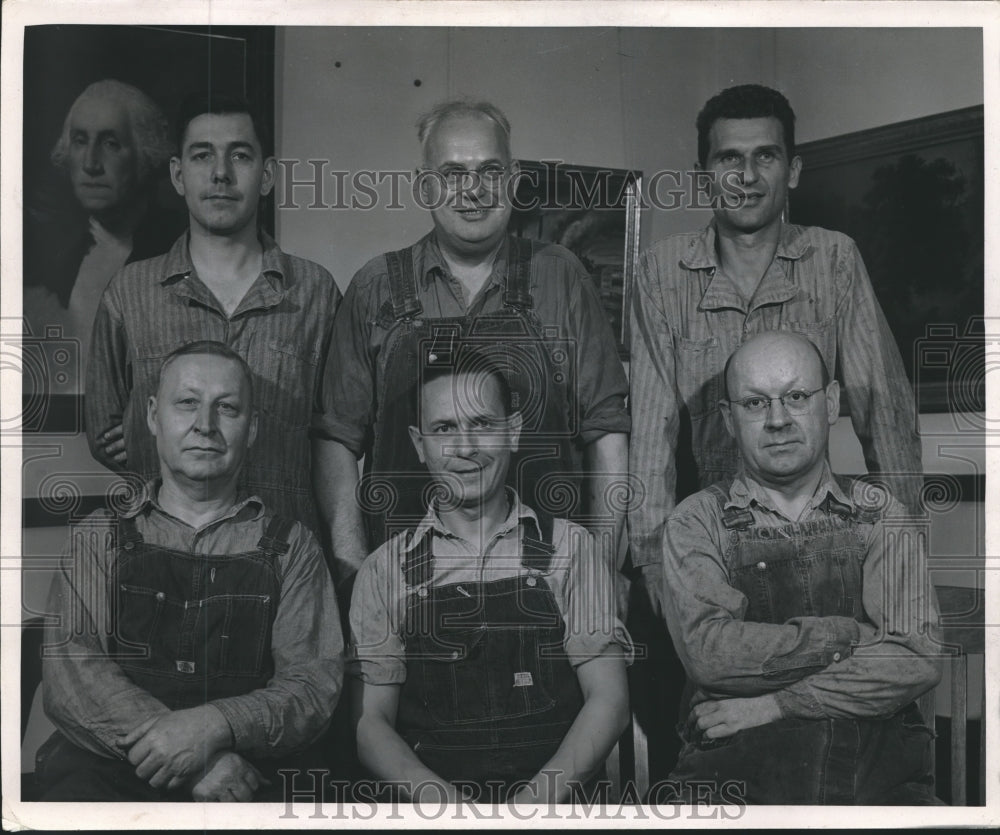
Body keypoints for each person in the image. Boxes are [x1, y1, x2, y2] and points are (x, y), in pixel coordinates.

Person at [628, 84, 923, 618]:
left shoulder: (833, 260)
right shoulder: (661, 272)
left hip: (823, 540)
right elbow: (653, 427)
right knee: (718, 693)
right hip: (710, 549)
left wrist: (905, 544)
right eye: (729, 159)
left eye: (766, 155)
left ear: (792, 170)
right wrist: (651, 556)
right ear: (703, 177)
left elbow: (886, 412)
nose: (747, 176)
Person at [315, 99, 630, 593]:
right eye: (452, 173)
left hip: (548, 583)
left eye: (489, 170)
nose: (473, 191)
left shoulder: (561, 274)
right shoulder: (375, 287)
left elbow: (605, 429)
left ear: (513, 178)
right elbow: (337, 439)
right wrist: (354, 569)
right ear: (425, 188)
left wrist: (604, 570)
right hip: (408, 587)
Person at [37, 342, 343, 802]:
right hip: (110, 777)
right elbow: (72, 677)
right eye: (187, 403)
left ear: (253, 428)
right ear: (153, 416)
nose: (205, 425)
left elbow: (311, 688)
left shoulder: (293, 548)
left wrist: (214, 726)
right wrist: (195, 759)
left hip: (245, 779)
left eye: (227, 408)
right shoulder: (96, 539)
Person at [661, 331, 941, 805]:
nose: (777, 420)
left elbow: (916, 657)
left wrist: (773, 705)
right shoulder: (696, 522)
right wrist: (852, 638)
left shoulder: (880, 514)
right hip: (734, 781)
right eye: (754, 403)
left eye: (795, 396)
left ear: (830, 403)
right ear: (729, 419)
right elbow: (710, 653)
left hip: (877, 778)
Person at [349, 344, 631, 803]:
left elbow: (610, 701)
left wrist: (530, 808)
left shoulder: (571, 548)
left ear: (513, 432)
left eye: (481, 424)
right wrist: (451, 812)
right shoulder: (384, 571)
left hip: (553, 811)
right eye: (445, 428)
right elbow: (370, 725)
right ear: (420, 444)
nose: (465, 448)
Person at [85, 91, 340, 534]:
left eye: (239, 155)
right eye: (202, 156)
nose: (220, 174)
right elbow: (107, 433)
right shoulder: (130, 293)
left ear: (266, 176)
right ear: (178, 175)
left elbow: (335, 438)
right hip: (162, 559)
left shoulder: (316, 292)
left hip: (284, 561)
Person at [24, 79, 182, 364]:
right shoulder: (49, 260)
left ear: (146, 154)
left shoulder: (182, 254)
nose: (91, 164)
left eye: (111, 143)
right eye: (80, 141)